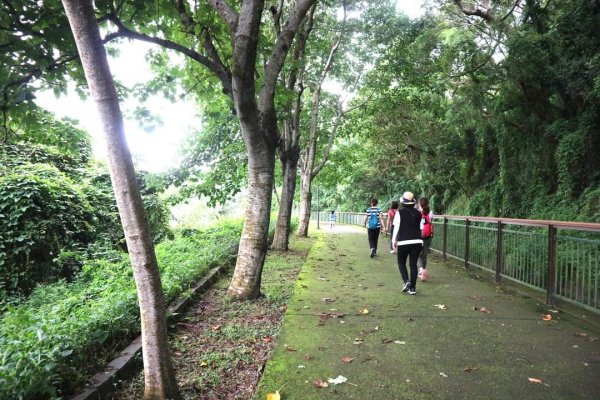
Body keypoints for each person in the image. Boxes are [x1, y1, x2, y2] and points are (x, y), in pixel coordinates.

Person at [392, 192, 423, 295]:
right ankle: (412, 288)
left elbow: (396, 228)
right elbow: (421, 228)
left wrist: (393, 241)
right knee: (413, 265)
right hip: (417, 242)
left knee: (401, 262)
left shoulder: (399, 213)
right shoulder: (419, 213)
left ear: (403, 202)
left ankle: (406, 282)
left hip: (403, 241)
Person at [417, 197, 434, 281]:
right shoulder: (430, 212)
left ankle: (421, 270)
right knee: (425, 253)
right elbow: (431, 223)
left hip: (419, 235)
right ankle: (423, 269)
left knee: (417, 253)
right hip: (428, 235)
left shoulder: (417, 212)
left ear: (420, 204)